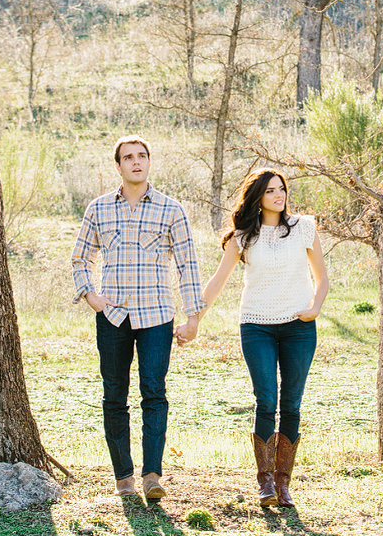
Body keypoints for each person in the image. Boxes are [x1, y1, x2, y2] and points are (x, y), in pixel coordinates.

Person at [70, 135, 203, 500]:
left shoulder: (170, 209)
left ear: (149, 162)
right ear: (118, 166)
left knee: (154, 392)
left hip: (157, 315)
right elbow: (81, 258)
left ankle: (152, 476)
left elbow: (187, 264)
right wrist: (91, 296)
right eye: (128, 157)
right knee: (114, 394)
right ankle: (124, 478)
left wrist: (193, 317)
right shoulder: (98, 209)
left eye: (142, 156)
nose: (136, 162)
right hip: (112, 316)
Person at [189, 168, 329, 508]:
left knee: (291, 403)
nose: (278, 195)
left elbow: (322, 278)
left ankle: (284, 485)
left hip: (298, 327)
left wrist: (315, 307)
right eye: (270, 191)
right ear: (258, 197)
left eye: (281, 189)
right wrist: (194, 319)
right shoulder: (243, 237)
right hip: (257, 326)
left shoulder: (304, 228)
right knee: (266, 399)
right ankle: (265, 482)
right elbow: (217, 281)